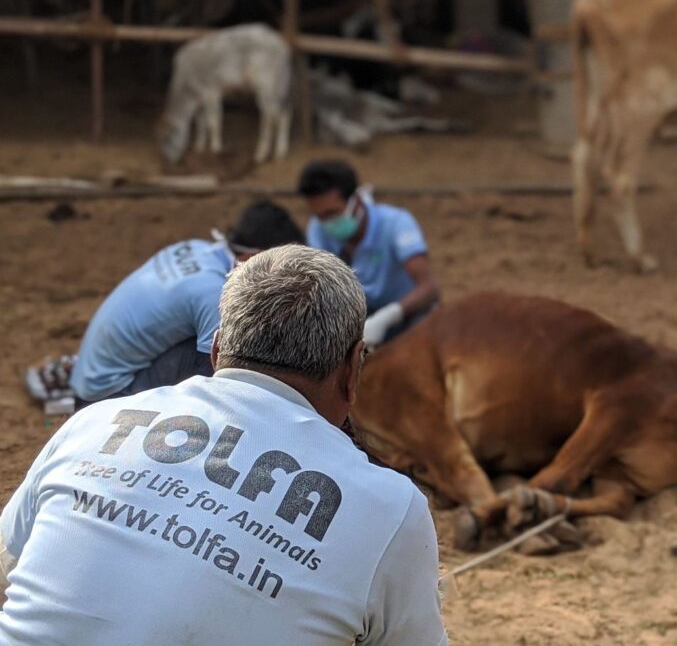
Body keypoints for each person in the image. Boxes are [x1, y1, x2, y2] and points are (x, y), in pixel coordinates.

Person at [0, 245, 447, 645]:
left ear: (216, 348)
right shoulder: (392, 510)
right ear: (353, 370)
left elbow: (7, 570)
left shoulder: (93, 422)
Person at [67, 200, 303, 408]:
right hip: (106, 398)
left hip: (89, 380)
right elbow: (216, 381)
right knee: (228, 349)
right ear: (253, 258)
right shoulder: (214, 292)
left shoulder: (196, 248)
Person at [298, 159, 440, 347]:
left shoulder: (396, 223)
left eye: (333, 213)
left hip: (407, 313)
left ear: (355, 201)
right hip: (357, 318)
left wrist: (388, 317)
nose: (327, 223)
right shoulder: (318, 229)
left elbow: (429, 288)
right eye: (320, 216)